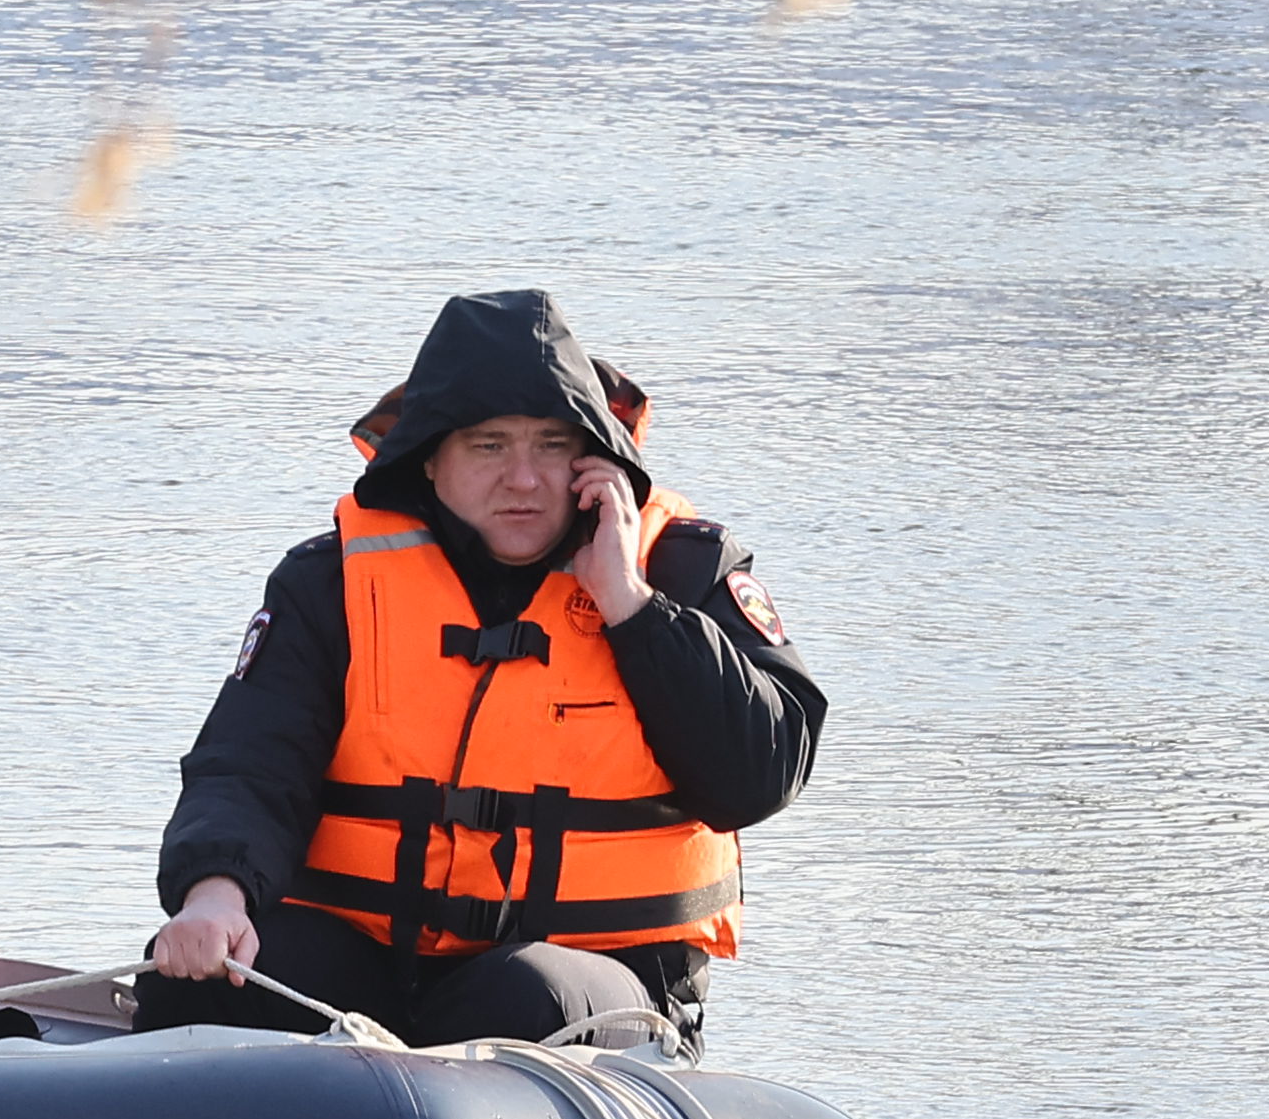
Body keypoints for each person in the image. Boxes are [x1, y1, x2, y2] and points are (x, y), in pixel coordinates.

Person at [142, 293, 826, 1052]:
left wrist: (631, 607)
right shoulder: (330, 583)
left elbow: (761, 774)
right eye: (489, 446)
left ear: (595, 457)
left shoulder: (684, 570)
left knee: (517, 997)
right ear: (430, 459)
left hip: (598, 977)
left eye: (552, 446)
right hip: (374, 962)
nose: (525, 480)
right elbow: (248, 765)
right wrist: (214, 897)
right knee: (196, 981)